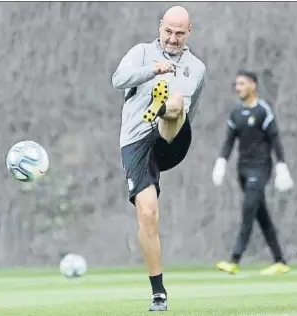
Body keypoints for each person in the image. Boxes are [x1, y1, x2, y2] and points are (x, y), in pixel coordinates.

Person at [111, 5, 206, 312]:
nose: (173, 39)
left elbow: (196, 107)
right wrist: (153, 70)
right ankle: (158, 293)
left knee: (177, 101)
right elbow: (118, 79)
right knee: (148, 213)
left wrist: (174, 118)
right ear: (159, 27)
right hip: (137, 141)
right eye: (168, 31)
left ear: (189, 32)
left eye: (180, 33)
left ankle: (162, 107)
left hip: (172, 136)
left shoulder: (197, 68)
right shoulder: (140, 52)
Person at [212, 70, 294, 276]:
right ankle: (280, 261)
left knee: (248, 209)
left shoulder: (263, 110)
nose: (237, 88)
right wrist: (221, 162)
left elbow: (275, 139)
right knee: (261, 215)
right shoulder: (236, 112)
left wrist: (281, 165)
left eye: (241, 84)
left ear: (252, 85)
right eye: (236, 84)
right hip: (243, 170)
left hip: (261, 168)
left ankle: (234, 259)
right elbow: (229, 141)